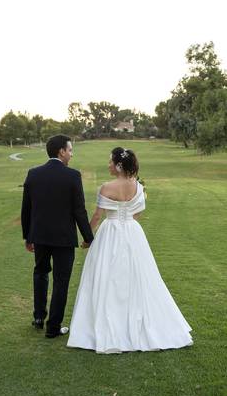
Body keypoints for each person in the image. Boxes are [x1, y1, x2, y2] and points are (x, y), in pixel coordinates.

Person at [67, 147, 192, 353]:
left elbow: (98, 216)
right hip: (133, 233)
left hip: (110, 232)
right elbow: (137, 213)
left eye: (110, 162)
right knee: (138, 276)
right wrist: (127, 223)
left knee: (107, 277)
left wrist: (88, 238)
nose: (108, 165)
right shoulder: (139, 187)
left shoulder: (106, 187)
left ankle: (107, 322)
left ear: (118, 165)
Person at [21, 135, 94, 338]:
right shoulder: (72, 176)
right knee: (61, 281)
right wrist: (89, 237)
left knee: (40, 273)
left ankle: (38, 317)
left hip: (40, 237)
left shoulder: (33, 174)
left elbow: (26, 209)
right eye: (70, 150)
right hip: (63, 238)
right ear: (61, 151)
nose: (71, 154)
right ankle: (53, 327)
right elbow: (79, 211)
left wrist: (28, 236)